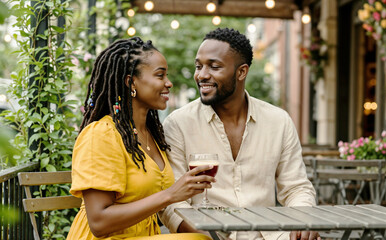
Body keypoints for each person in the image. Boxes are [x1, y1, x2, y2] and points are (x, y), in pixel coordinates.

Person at [158, 28, 320, 240]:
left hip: (269, 235)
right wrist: (204, 236)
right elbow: (172, 203)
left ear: (241, 72)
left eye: (214, 67)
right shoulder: (178, 124)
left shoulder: (279, 121)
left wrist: (304, 219)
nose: (202, 75)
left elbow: (296, 188)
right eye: (199, 66)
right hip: (206, 236)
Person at [67, 37, 215, 240]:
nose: (168, 83)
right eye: (160, 75)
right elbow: (99, 223)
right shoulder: (101, 135)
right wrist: (171, 194)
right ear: (131, 82)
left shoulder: (150, 135)